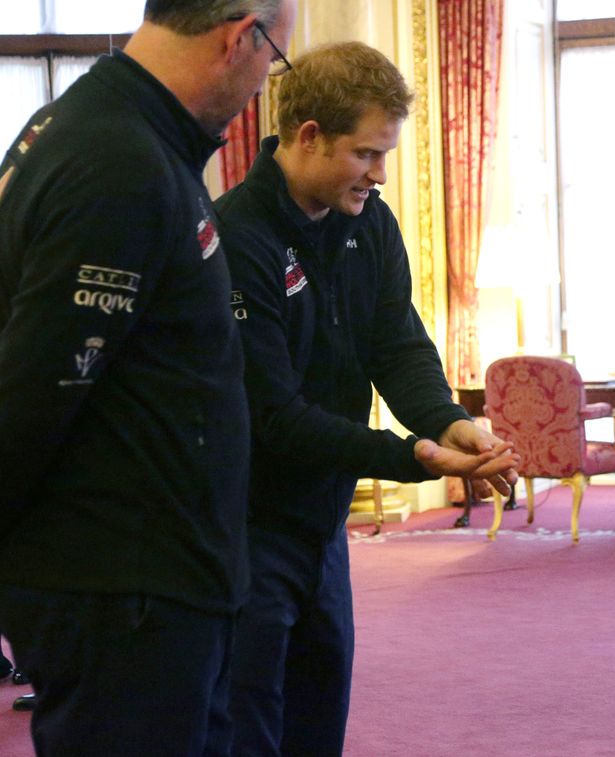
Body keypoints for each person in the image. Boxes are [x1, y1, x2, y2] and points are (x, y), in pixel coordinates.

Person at [0, 1, 297, 754]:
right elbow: (34, 393)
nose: (265, 81)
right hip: (124, 596)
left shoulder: (112, 130)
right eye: (274, 60)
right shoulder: (119, 161)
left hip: (151, 585)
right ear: (242, 37)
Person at [213, 42, 520, 756]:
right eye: (366, 154)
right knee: (250, 734)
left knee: (319, 727)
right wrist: (420, 456)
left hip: (323, 531)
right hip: (244, 533)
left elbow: (398, 346)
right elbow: (277, 417)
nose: (380, 175)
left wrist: (452, 420)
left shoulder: (369, 221)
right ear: (310, 135)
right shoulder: (234, 238)